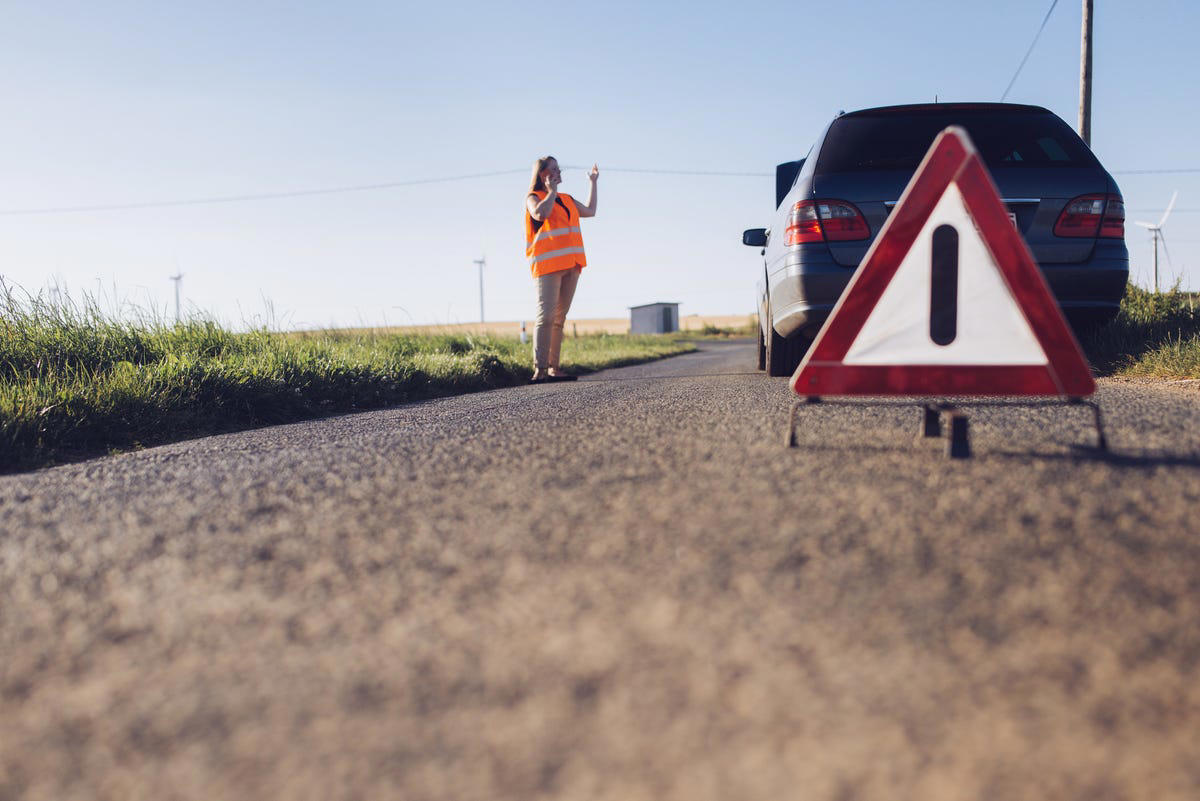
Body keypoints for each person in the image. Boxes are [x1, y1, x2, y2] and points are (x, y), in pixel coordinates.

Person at [524, 156, 598, 383]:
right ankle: (540, 370)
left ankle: (554, 368)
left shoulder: (567, 199)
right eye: (554, 169)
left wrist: (593, 182)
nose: (559, 172)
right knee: (544, 317)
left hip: (572, 265)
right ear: (544, 174)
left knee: (559, 318)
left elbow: (590, 211)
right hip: (548, 266)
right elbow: (540, 214)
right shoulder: (533, 198)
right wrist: (551, 192)